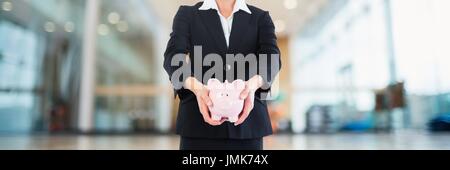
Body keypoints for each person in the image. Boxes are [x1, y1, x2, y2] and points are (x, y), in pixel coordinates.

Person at [164, 0, 281, 150]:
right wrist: (197, 88)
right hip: (198, 122)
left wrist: (252, 85)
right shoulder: (187, 14)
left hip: (247, 124)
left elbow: (272, 58)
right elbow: (173, 56)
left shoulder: (260, 17)